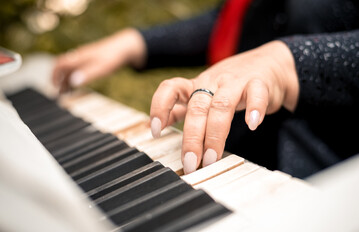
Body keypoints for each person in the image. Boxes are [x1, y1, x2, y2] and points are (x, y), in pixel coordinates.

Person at [52, 0, 359, 178]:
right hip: (242, 152)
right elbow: (239, 18)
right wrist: (135, 43)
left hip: (328, 173)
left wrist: (291, 63)